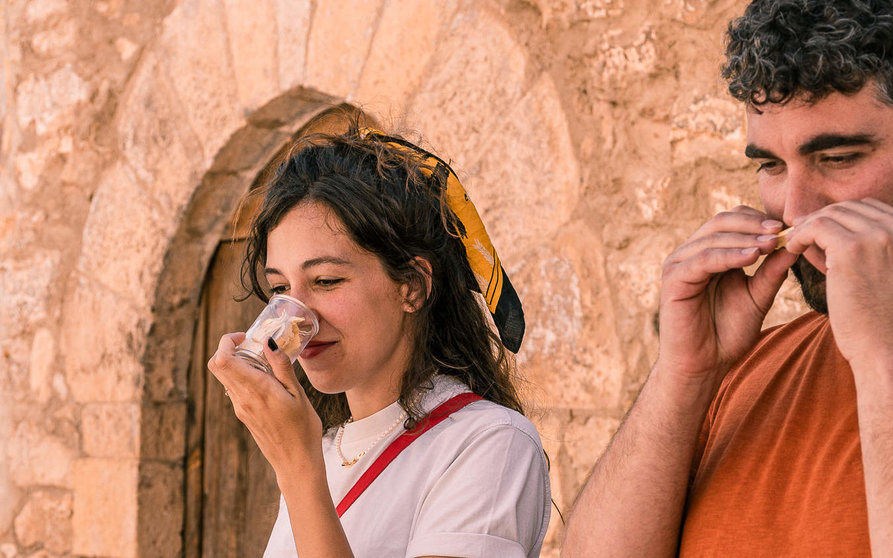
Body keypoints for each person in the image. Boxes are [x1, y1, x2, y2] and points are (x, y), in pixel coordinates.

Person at [563, 0, 893, 556]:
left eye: (837, 157)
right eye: (771, 166)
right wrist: (684, 375)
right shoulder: (753, 369)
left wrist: (880, 357)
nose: (795, 209)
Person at [207, 124, 551, 558]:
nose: (296, 319)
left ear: (412, 286)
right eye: (280, 290)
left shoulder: (489, 443)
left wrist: (297, 470)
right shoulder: (326, 448)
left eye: (327, 280)